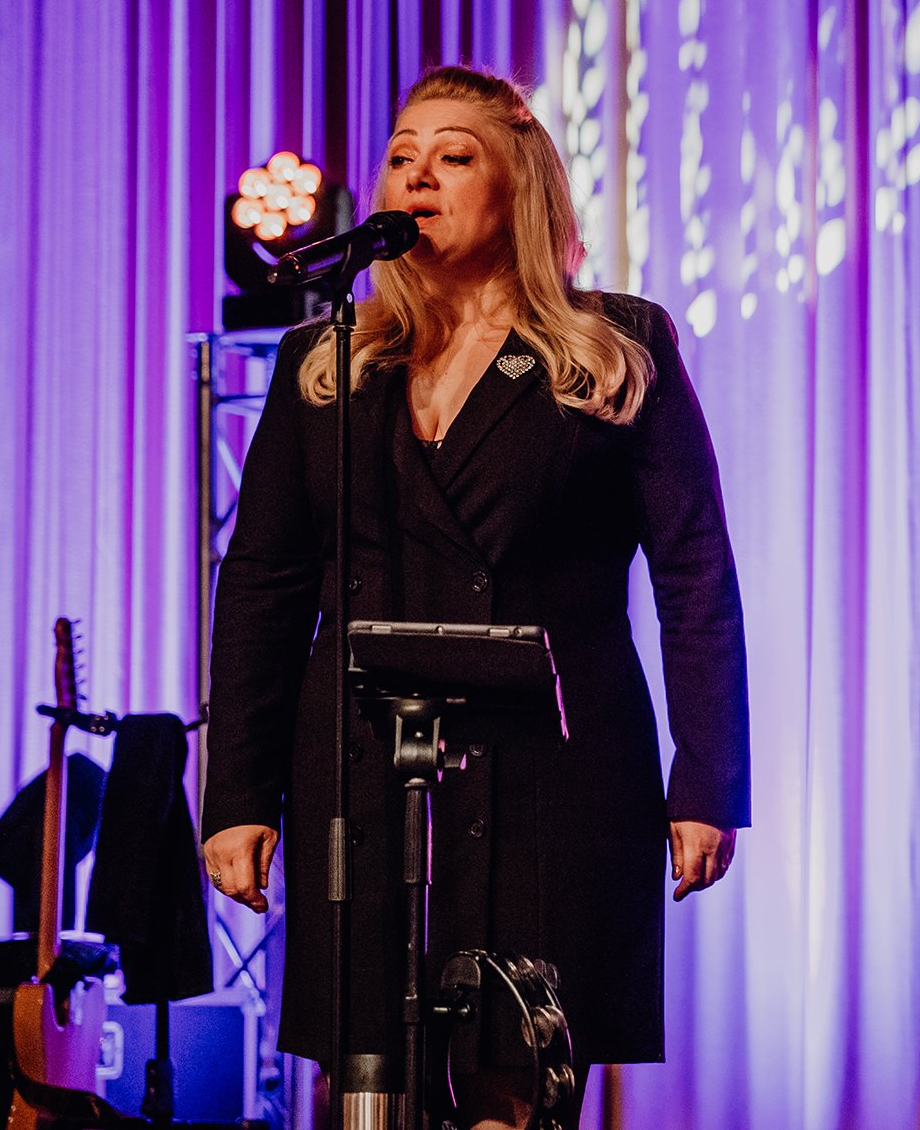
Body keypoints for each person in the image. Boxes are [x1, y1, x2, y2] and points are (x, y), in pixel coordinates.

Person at [201, 66, 750, 1120]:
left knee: (517, 1079)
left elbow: (695, 573)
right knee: (367, 1080)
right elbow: (264, 587)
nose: (418, 175)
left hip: (554, 764)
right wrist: (237, 793)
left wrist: (707, 781)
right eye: (403, 154)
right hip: (362, 772)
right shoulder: (329, 362)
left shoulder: (612, 346)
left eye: (453, 155)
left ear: (521, 186)